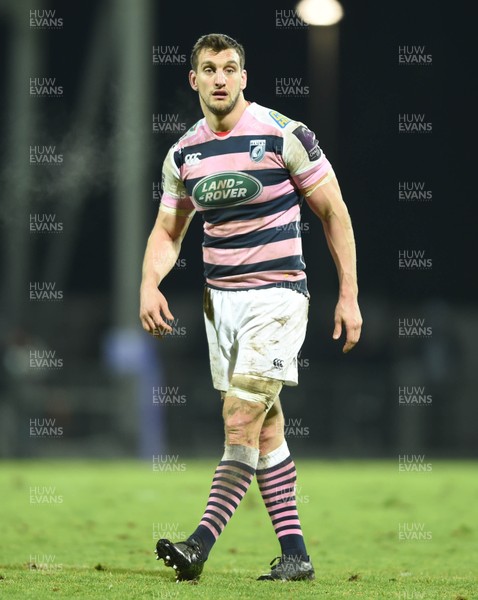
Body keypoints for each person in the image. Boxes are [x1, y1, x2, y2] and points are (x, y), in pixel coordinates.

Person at [139, 33, 362, 583]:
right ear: (193, 79)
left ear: (244, 77)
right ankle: (296, 555)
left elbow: (333, 212)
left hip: (278, 299)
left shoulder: (285, 135)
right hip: (222, 307)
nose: (220, 78)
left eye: (230, 68)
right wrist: (149, 283)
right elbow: (169, 231)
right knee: (265, 431)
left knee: (239, 418)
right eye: (209, 69)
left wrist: (349, 295)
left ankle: (198, 544)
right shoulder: (184, 154)